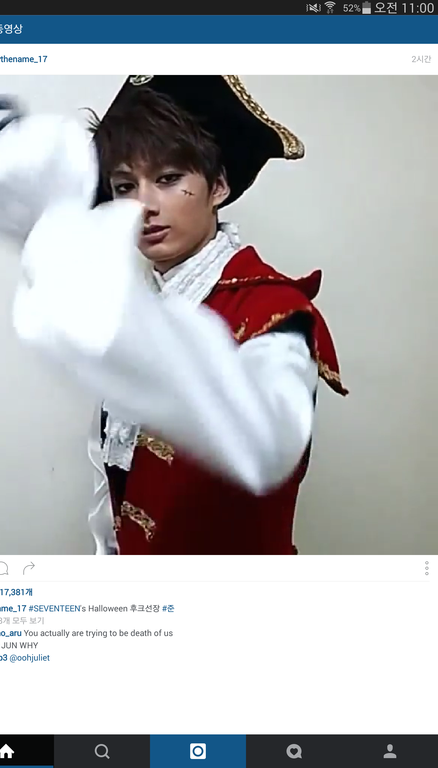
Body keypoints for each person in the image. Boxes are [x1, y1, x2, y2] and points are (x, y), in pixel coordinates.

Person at [83, 75, 348, 555]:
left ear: (218, 186)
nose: (143, 206)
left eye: (168, 179)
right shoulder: (137, 312)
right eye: (125, 186)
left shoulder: (274, 314)